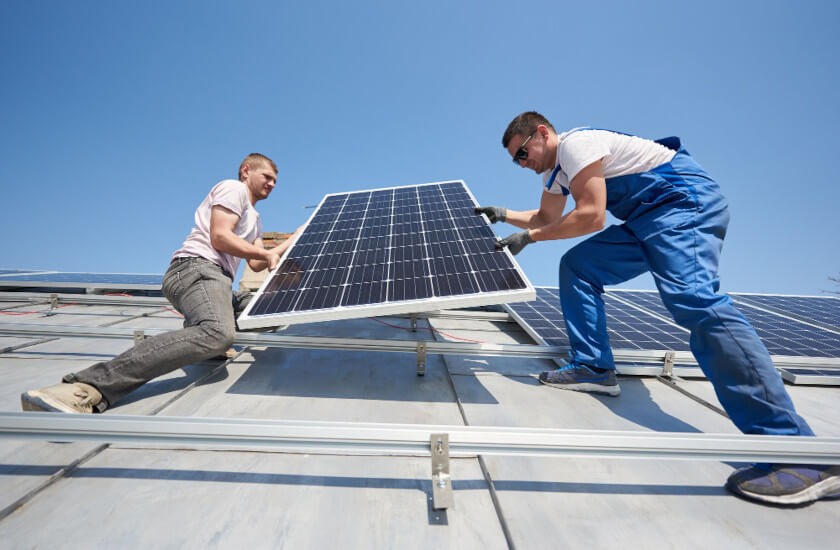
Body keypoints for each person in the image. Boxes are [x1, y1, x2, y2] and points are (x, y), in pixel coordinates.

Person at [478, 111, 839, 506]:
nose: (523, 164)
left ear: (542, 134)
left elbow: (592, 216)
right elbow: (548, 217)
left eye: (523, 153)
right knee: (579, 266)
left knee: (694, 301)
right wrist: (502, 215)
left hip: (681, 202)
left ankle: (799, 453)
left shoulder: (577, 146)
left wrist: (528, 238)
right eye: (517, 160)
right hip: (644, 218)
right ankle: (594, 368)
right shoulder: (557, 174)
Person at [21, 153, 298, 415]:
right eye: (267, 176)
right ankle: (85, 387)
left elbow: (258, 264)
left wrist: (292, 241)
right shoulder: (232, 189)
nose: (272, 184)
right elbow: (220, 237)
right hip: (196, 269)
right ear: (246, 171)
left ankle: (201, 328)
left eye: (275, 180)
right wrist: (264, 253)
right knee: (217, 334)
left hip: (220, 284)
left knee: (274, 308)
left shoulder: (256, 219)